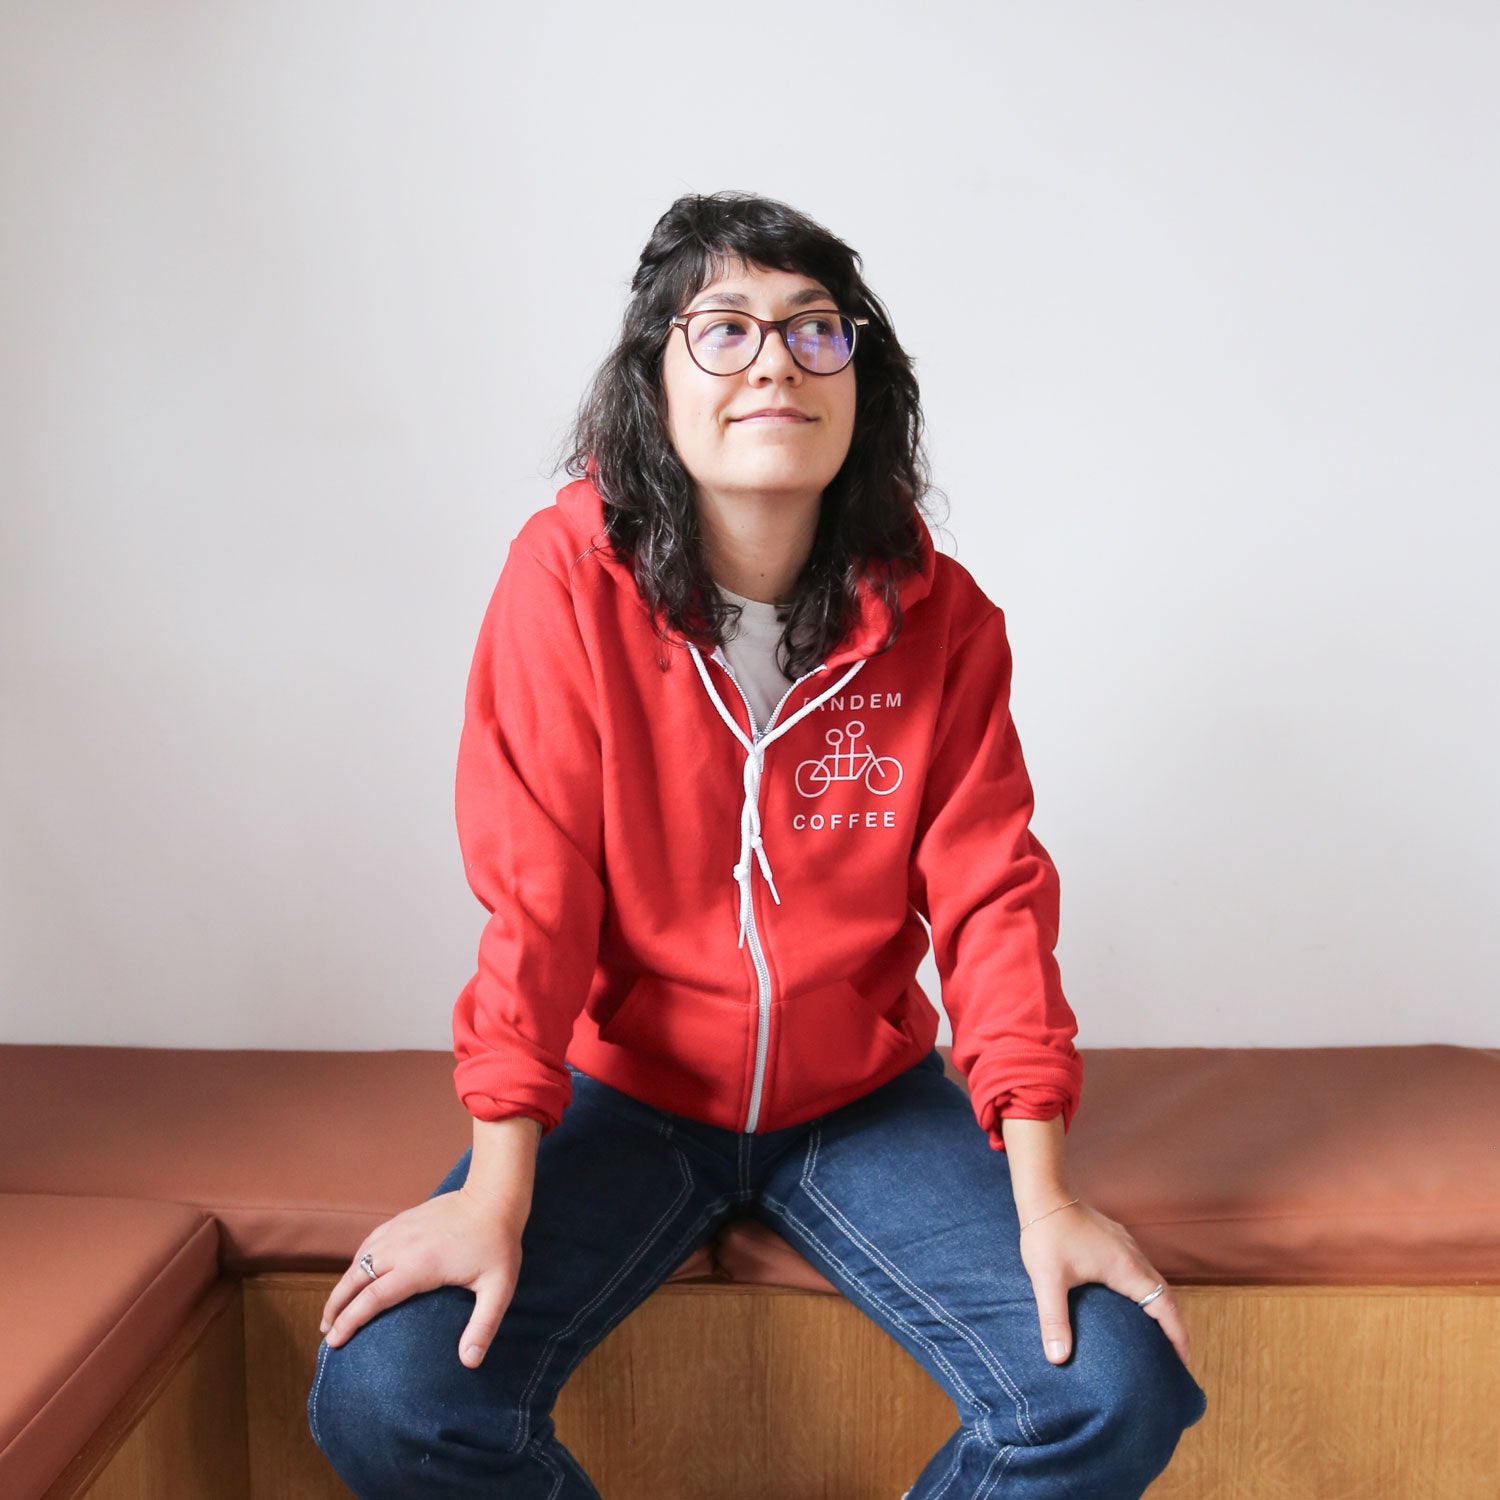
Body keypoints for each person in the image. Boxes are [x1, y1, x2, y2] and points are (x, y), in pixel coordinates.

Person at [306, 191, 1207, 1498]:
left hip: (863, 1107)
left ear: (862, 383)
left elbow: (994, 902)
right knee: (391, 1401)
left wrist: (1047, 1196)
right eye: (722, 329)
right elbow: (536, 890)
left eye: (815, 330)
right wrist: (497, 1182)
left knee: (1114, 1387)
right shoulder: (567, 582)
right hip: (625, 1096)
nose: (775, 358)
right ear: (653, 384)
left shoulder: (942, 621)